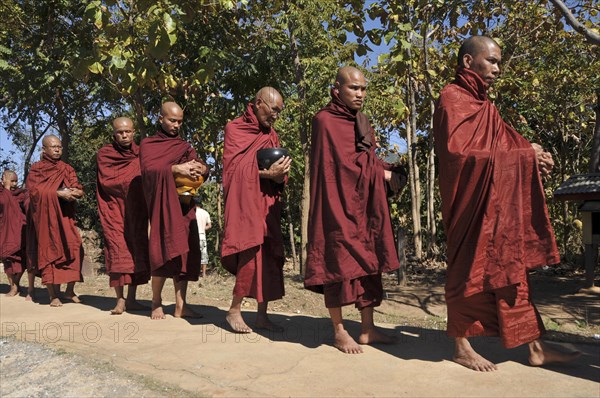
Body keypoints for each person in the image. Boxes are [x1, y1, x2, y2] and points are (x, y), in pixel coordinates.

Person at [433, 35, 580, 371]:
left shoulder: (488, 107)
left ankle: (536, 347)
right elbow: (461, 155)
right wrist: (523, 155)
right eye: (493, 61)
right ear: (469, 63)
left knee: (510, 273)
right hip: (469, 207)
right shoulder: (451, 98)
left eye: (499, 62)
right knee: (466, 271)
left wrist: (532, 154)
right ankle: (461, 345)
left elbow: (504, 145)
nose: (498, 68)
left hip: (498, 210)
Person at [305, 67, 403, 353]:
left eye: (363, 89)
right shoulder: (324, 120)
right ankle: (338, 330)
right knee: (336, 264)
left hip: (364, 205)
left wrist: (386, 170)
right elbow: (338, 167)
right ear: (337, 89)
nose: (360, 94)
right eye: (354, 89)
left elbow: (364, 158)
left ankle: (368, 329)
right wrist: (378, 173)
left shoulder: (362, 120)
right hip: (335, 205)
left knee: (369, 263)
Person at [221, 87, 291, 333]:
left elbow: (277, 171)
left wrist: (280, 174)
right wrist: (266, 173)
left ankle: (262, 315)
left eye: (279, 113)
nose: (276, 117)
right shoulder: (235, 129)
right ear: (259, 103)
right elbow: (232, 171)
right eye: (273, 110)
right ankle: (234, 310)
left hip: (266, 202)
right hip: (245, 202)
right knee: (248, 253)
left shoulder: (272, 135)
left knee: (270, 256)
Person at [139, 102, 209, 320]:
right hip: (161, 207)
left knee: (185, 255)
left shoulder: (184, 146)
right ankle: (156, 302)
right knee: (161, 254)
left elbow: (200, 166)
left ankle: (181, 305)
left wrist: (202, 168)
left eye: (180, 121)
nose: (176, 125)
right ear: (160, 119)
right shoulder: (148, 144)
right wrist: (175, 169)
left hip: (184, 206)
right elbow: (148, 171)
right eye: (172, 120)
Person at [97, 117, 151, 315]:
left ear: (134, 132)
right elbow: (108, 181)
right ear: (114, 134)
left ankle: (132, 298)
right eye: (120, 132)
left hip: (136, 209)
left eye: (128, 131)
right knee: (118, 250)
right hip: (113, 210)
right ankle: (119, 300)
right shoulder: (105, 154)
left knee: (136, 250)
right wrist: (133, 180)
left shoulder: (141, 153)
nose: (124, 135)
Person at [25, 134, 84, 306]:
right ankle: (53, 295)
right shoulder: (37, 169)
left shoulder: (66, 168)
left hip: (65, 217)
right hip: (47, 221)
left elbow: (76, 186)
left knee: (75, 247)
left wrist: (76, 192)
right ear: (44, 149)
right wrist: (57, 193)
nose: (58, 149)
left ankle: (69, 290)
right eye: (53, 147)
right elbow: (33, 193)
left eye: (59, 146)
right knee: (50, 251)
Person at [0, 170, 27, 297]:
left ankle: (16, 283)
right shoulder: (1, 193)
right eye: (12, 181)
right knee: (8, 260)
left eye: (16, 180)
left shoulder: (20, 194)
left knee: (22, 259)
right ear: (4, 179)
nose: (15, 184)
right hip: (5, 231)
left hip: (20, 230)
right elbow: (4, 204)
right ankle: (13, 286)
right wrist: (5, 189)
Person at [194, 200, 211, 278]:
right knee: (204, 254)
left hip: (194, 236)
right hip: (202, 236)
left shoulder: (193, 213)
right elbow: (209, 225)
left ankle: (195, 272)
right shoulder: (205, 213)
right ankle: (204, 273)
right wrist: (203, 228)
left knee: (194, 254)